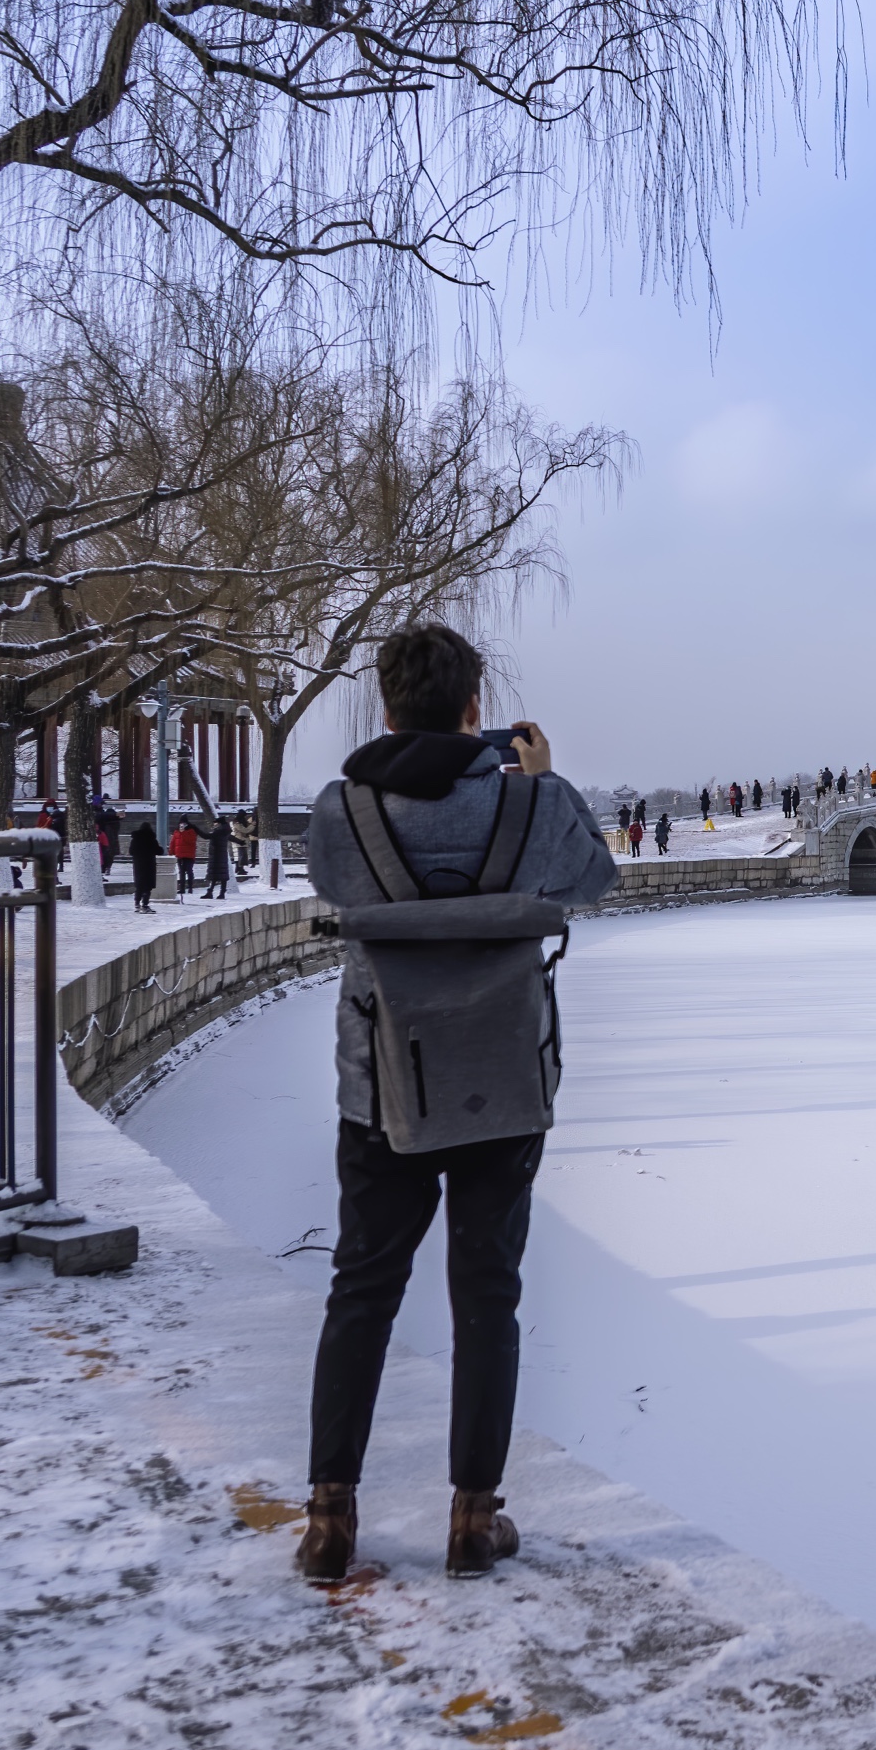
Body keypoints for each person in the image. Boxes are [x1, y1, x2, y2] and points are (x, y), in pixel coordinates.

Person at [294, 622, 613, 1585]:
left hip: (381, 1086)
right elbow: (595, 879)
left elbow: (333, 884)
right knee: (487, 1298)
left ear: (385, 709)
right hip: (504, 1086)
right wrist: (537, 785)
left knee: (362, 1291)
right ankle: (473, 1519)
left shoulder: (341, 811)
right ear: (477, 709)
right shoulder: (531, 801)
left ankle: (328, 1521)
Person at [129, 819, 160, 912]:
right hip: (149, 864)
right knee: (147, 886)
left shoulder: (135, 839)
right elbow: (158, 851)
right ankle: (145, 904)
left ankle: (137, 903)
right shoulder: (151, 839)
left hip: (138, 864)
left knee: (139, 885)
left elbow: (131, 851)